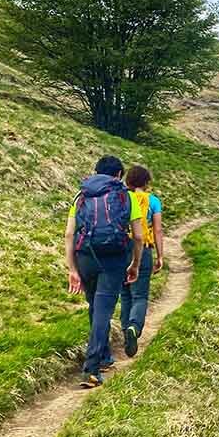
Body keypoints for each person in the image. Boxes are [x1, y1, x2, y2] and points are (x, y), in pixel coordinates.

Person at [64, 155, 144, 388]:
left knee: (95, 308)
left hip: (85, 257)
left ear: (96, 172)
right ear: (119, 175)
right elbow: (138, 236)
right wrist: (135, 264)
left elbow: (69, 234)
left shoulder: (81, 196)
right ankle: (91, 368)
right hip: (114, 259)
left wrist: (72, 269)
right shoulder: (127, 196)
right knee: (103, 311)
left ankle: (105, 356)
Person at [119, 165, 164, 356]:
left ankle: (124, 334)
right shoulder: (153, 201)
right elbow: (158, 230)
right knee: (140, 295)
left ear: (128, 181)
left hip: (120, 249)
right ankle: (134, 328)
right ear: (146, 182)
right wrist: (160, 255)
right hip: (142, 248)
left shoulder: (121, 198)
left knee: (125, 294)